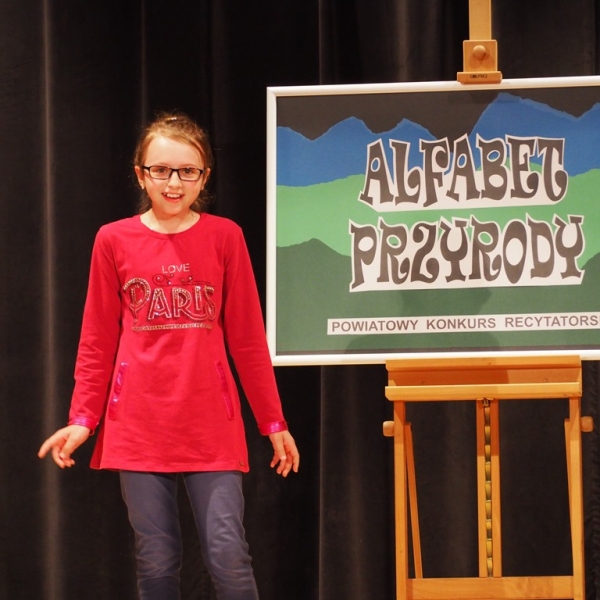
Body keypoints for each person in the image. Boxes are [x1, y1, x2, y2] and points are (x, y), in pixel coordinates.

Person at [38, 111, 300, 600]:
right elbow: (97, 339)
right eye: (161, 170)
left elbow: (247, 339)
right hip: (139, 423)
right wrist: (83, 419)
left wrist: (273, 421)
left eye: (187, 171)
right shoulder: (113, 239)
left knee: (227, 553)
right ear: (140, 175)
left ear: (205, 176)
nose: (174, 183)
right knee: (156, 558)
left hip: (210, 422)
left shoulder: (225, 237)